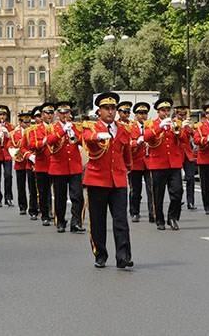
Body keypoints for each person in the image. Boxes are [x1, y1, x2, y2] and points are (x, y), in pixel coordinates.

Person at [82, 92, 133, 269]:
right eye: (106, 109)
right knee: (98, 220)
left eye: (113, 108)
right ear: (99, 111)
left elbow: (127, 153)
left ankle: (123, 256)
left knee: (121, 220)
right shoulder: (91, 127)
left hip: (118, 180)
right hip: (97, 179)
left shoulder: (124, 129)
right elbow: (87, 139)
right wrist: (99, 136)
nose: (110, 112)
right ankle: (100, 254)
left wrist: (127, 168)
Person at [144, 98, 190, 231]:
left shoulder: (175, 123)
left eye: (167, 110)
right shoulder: (151, 123)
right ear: (158, 112)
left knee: (178, 192)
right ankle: (159, 219)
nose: (166, 113)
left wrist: (180, 130)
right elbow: (147, 137)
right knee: (158, 194)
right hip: (158, 163)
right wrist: (160, 127)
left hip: (174, 163)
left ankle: (173, 217)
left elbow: (185, 140)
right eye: (163, 110)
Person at [45, 102, 85, 233]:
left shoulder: (77, 126)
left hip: (74, 166)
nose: (64, 115)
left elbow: (84, 141)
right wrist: (63, 131)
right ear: (57, 114)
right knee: (60, 197)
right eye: (61, 113)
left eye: (66, 112)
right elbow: (49, 141)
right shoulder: (52, 127)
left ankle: (76, 222)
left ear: (70, 113)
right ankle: (60, 221)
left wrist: (74, 133)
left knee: (77, 196)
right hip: (59, 167)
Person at [28, 103, 54, 225]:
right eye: (46, 113)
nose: (49, 115)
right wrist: (42, 142)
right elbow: (32, 145)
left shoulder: (57, 127)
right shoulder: (34, 129)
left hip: (56, 164)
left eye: (51, 113)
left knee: (57, 192)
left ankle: (53, 212)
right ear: (42, 115)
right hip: (42, 164)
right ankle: (45, 215)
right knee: (43, 191)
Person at [129, 102, 154, 223]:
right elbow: (127, 144)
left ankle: (152, 213)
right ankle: (135, 212)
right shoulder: (130, 127)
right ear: (136, 115)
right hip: (136, 162)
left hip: (149, 161)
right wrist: (136, 142)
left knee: (152, 189)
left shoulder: (151, 126)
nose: (143, 116)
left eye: (145, 113)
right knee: (136, 190)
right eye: (140, 113)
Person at [8, 112, 34, 215]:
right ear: (20, 122)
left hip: (30, 161)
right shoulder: (14, 133)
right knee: (21, 186)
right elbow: (9, 145)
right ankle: (22, 206)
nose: (28, 124)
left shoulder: (33, 131)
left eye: (29, 122)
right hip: (20, 161)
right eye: (25, 122)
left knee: (32, 186)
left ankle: (33, 207)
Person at [174, 105, 197, 210]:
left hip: (188, 153)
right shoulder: (173, 123)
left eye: (184, 114)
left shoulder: (189, 123)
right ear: (176, 114)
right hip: (177, 153)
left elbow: (194, 135)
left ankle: (190, 201)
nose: (182, 116)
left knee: (190, 178)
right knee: (176, 180)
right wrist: (182, 126)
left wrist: (189, 126)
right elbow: (179, 136)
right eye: (180, 114)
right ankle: (177, 200)